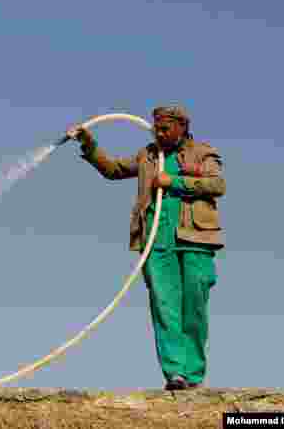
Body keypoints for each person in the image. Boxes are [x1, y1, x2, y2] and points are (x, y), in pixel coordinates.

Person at [65, 105, 225, 391]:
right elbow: (113, 170)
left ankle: (194, 374)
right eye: (157, 127)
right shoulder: (147, 155)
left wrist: (174, 181)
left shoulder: (203, 152)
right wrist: (88, 144)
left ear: (182, 127)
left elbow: (217, 184)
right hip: (156, 239)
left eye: (166, 128)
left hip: (196, 240)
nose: (159, 133)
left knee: (195, 306)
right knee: (164, 306)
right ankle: (175, 373)